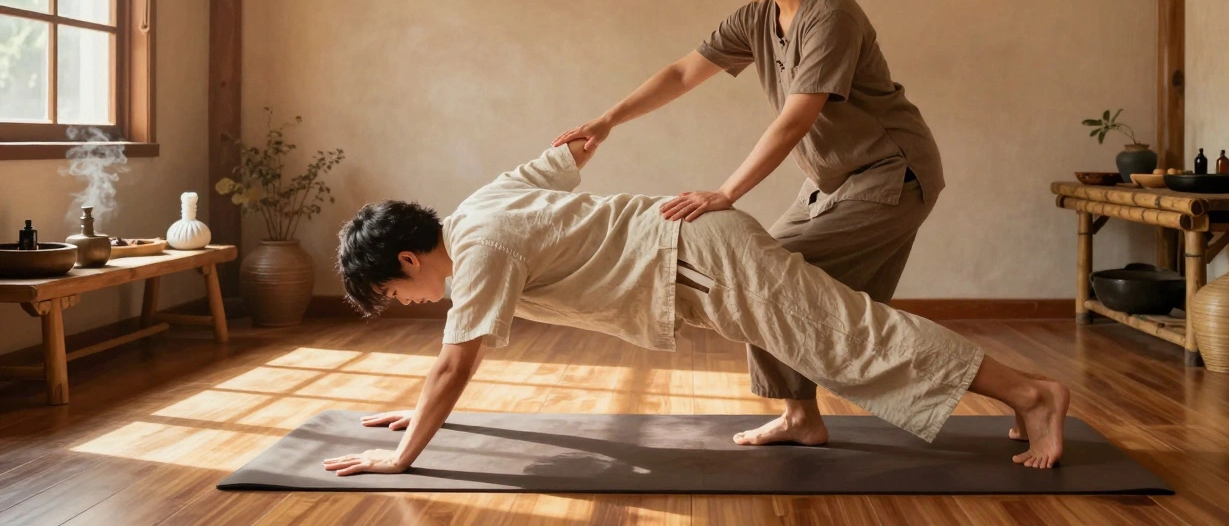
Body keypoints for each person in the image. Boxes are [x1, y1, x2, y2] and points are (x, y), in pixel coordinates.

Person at [322, 142, 1069, 478]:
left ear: (410, 260)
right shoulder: (479, 208)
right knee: (826, 339)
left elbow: (456, 362)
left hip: (701, 255)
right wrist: (420, 414)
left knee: (851, 338)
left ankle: (1033, 393)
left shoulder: (480, 253)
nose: (410, 304)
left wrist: (405, 450)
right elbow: (569, 149)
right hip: (693, 254)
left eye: (394, 295)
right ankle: (802, 419)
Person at [552, 0, 945, 447]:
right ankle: (799, 416)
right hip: (834, 180)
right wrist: (607, 120)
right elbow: (682, 73)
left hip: (892, 174)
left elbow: (794, 121)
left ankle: (1028, 394)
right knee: (755, 277)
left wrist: (725, 192)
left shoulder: (830, 16)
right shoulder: (757, 18)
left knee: (773, 282)